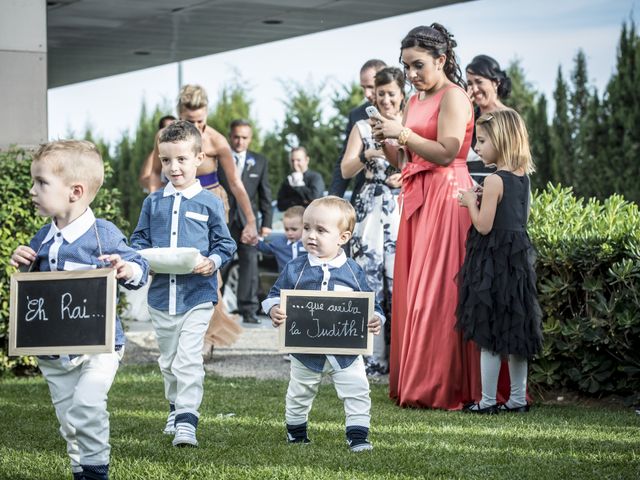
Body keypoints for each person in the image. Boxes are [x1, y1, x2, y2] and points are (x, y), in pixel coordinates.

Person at [10, 140, 149, 480]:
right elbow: (36, 292)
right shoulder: (42, 237)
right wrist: (22, 264)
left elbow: (139, 267)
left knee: (87, 405)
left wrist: (125, 269)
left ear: (75, 191)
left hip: (98, 348)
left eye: (41, 183)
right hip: (54, 354)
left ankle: (96, 470)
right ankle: (80, 469)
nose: (32, 190)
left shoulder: (102, 235)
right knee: (70, 419)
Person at [372, 24, 481, 410]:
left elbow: (449, 152)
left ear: (442, 59)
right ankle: (416, 379)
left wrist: (401, 134)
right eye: (406, 68)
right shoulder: (414, 100)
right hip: (417, 196)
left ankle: (443, 384)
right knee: (414, 289)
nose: (412, 75)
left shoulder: (455, 97)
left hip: (448, 196)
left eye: (418, 66)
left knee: (438, 293)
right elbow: (408, 156)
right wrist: (388, 138)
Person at [130, 121, 236, 447]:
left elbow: (225, 245)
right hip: (162, 297)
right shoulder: (153, 203)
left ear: (198, 158)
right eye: (165, 160)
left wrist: (212, 262)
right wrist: (140, 260)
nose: (173, 167)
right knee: (169, 361)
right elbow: (139, 240)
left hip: (198, 295)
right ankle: (174, 408)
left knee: (189, 358)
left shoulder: (210, 203)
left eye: (181, 160)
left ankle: (187, 421)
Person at [262, 196, 384, 452]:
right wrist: (273, 308)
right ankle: (296, 433)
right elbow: (273, 295)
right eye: (307, 228)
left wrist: (375, 318)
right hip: (305, 350)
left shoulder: (353, 270)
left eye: (320, 230)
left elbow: (371, 303)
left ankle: (358, 436)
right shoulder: (295, 268)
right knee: (299, 392)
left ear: (343, 237)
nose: (311, 235)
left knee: (357, 390)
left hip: (347, 350)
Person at [456, 109, 543, 413]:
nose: (476, 147)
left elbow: (483, 225)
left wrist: (470, 201)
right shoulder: (523, 179)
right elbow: (521, 218)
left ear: (502, 141)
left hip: (492, 262)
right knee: (517, 332)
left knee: (488, 332)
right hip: (516, 262)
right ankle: (518, 400)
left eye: (481, 141)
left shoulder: (494, 180)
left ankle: (488, 401)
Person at [341, 67, 404, 376]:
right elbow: (344, 170)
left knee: (399, 282)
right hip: (370, 209)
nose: (386, 100)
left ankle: (401, 361)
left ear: (402, 94)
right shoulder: (361, 127)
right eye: (381, 94)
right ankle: (371, 359)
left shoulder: (411, 125)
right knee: (370, 283)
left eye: (391, 93)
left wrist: (406, 174)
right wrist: (366, 154)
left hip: (402, 207)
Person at [219, 119, 272, 324]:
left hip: (248, 221)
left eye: (244, 137)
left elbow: (264, 193)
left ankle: (248, 310)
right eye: (236, 137)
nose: (240, 141)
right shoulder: (220, 159)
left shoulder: (260, 161)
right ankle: (216, 307)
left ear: (250, 139)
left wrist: (266, 223)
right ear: (230, 136)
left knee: (249, 265)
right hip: (223, 219)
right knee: (220, 263)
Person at [329, 59, 387, 202]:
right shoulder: (357, 115)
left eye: (370, 87)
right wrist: (333, 199)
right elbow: (343, 161)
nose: (366, 94)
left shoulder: (408, 110)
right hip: (365, 197)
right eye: (363, 88)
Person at [466, 55, 512, 184]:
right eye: (470, 83)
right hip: (466, 185)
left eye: (479, 82)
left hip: (498, 185)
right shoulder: (467, 116)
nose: (474, 89)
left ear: (496, 82)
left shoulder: (508, 117)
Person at [257, 205, 306, 272]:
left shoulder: (310, 244)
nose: (289, 233)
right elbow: (266, 248)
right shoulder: (279, 243)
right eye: (286, 229)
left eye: (294, 229)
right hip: (285, 281)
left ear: (305, 227)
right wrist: (255, 240)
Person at [276, 147, 325, 211]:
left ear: (307, 160)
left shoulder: (315, 177)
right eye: (292, 160)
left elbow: (314, 198)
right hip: (294, 219)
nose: (295, 164)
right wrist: (301, 200)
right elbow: (280, 205)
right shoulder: (288, 181)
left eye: (298, 160)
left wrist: (299, 186)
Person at [139, 115, 176, 192]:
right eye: (167, 127)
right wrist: (165, 187)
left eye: (173, 126)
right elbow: (143, 180)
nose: (171, 130)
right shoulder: (154, 154)